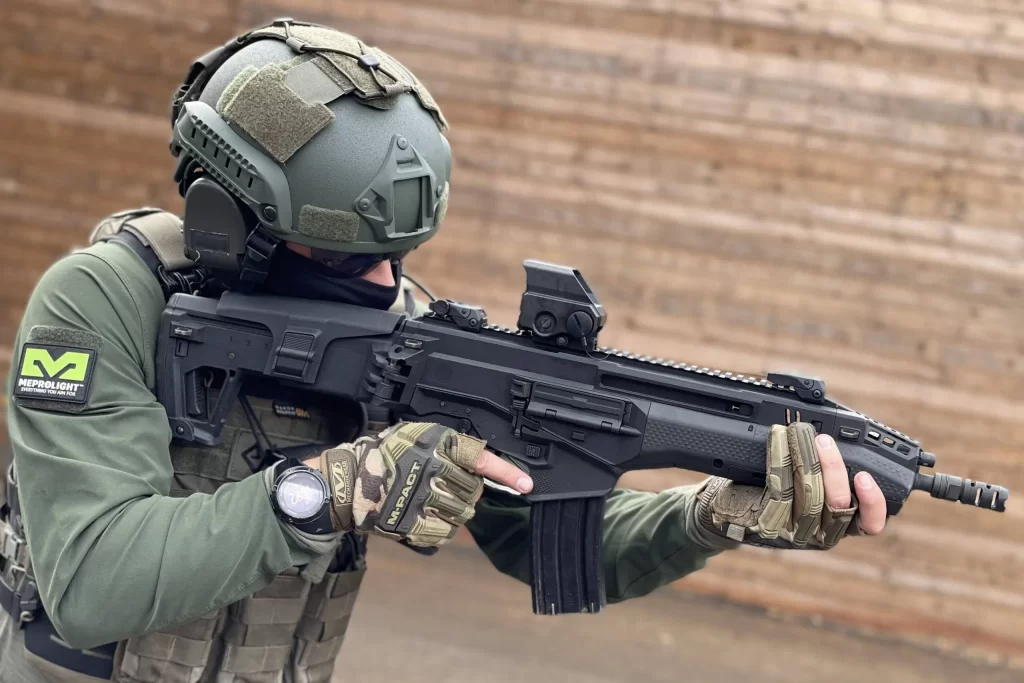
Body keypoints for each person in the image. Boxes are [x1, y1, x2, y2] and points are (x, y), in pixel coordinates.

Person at [0, 19, 887, 683]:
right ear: (228, 223)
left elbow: (548, 538)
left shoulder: (404, 332)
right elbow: (92, 581)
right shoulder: (105, 299)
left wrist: (710, 515)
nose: (386, 284)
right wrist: (336, 487)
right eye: (345, 257)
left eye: (400, 255)